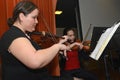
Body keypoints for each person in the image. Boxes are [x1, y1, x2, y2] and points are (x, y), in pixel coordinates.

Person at [0, 1, 74, 80]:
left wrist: (57, 47)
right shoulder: (12, 35)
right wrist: (57, 47)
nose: (37, 21)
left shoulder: (23, 35)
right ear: (21, 16)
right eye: (34, 17)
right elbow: (35, 61)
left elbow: (39, 55)